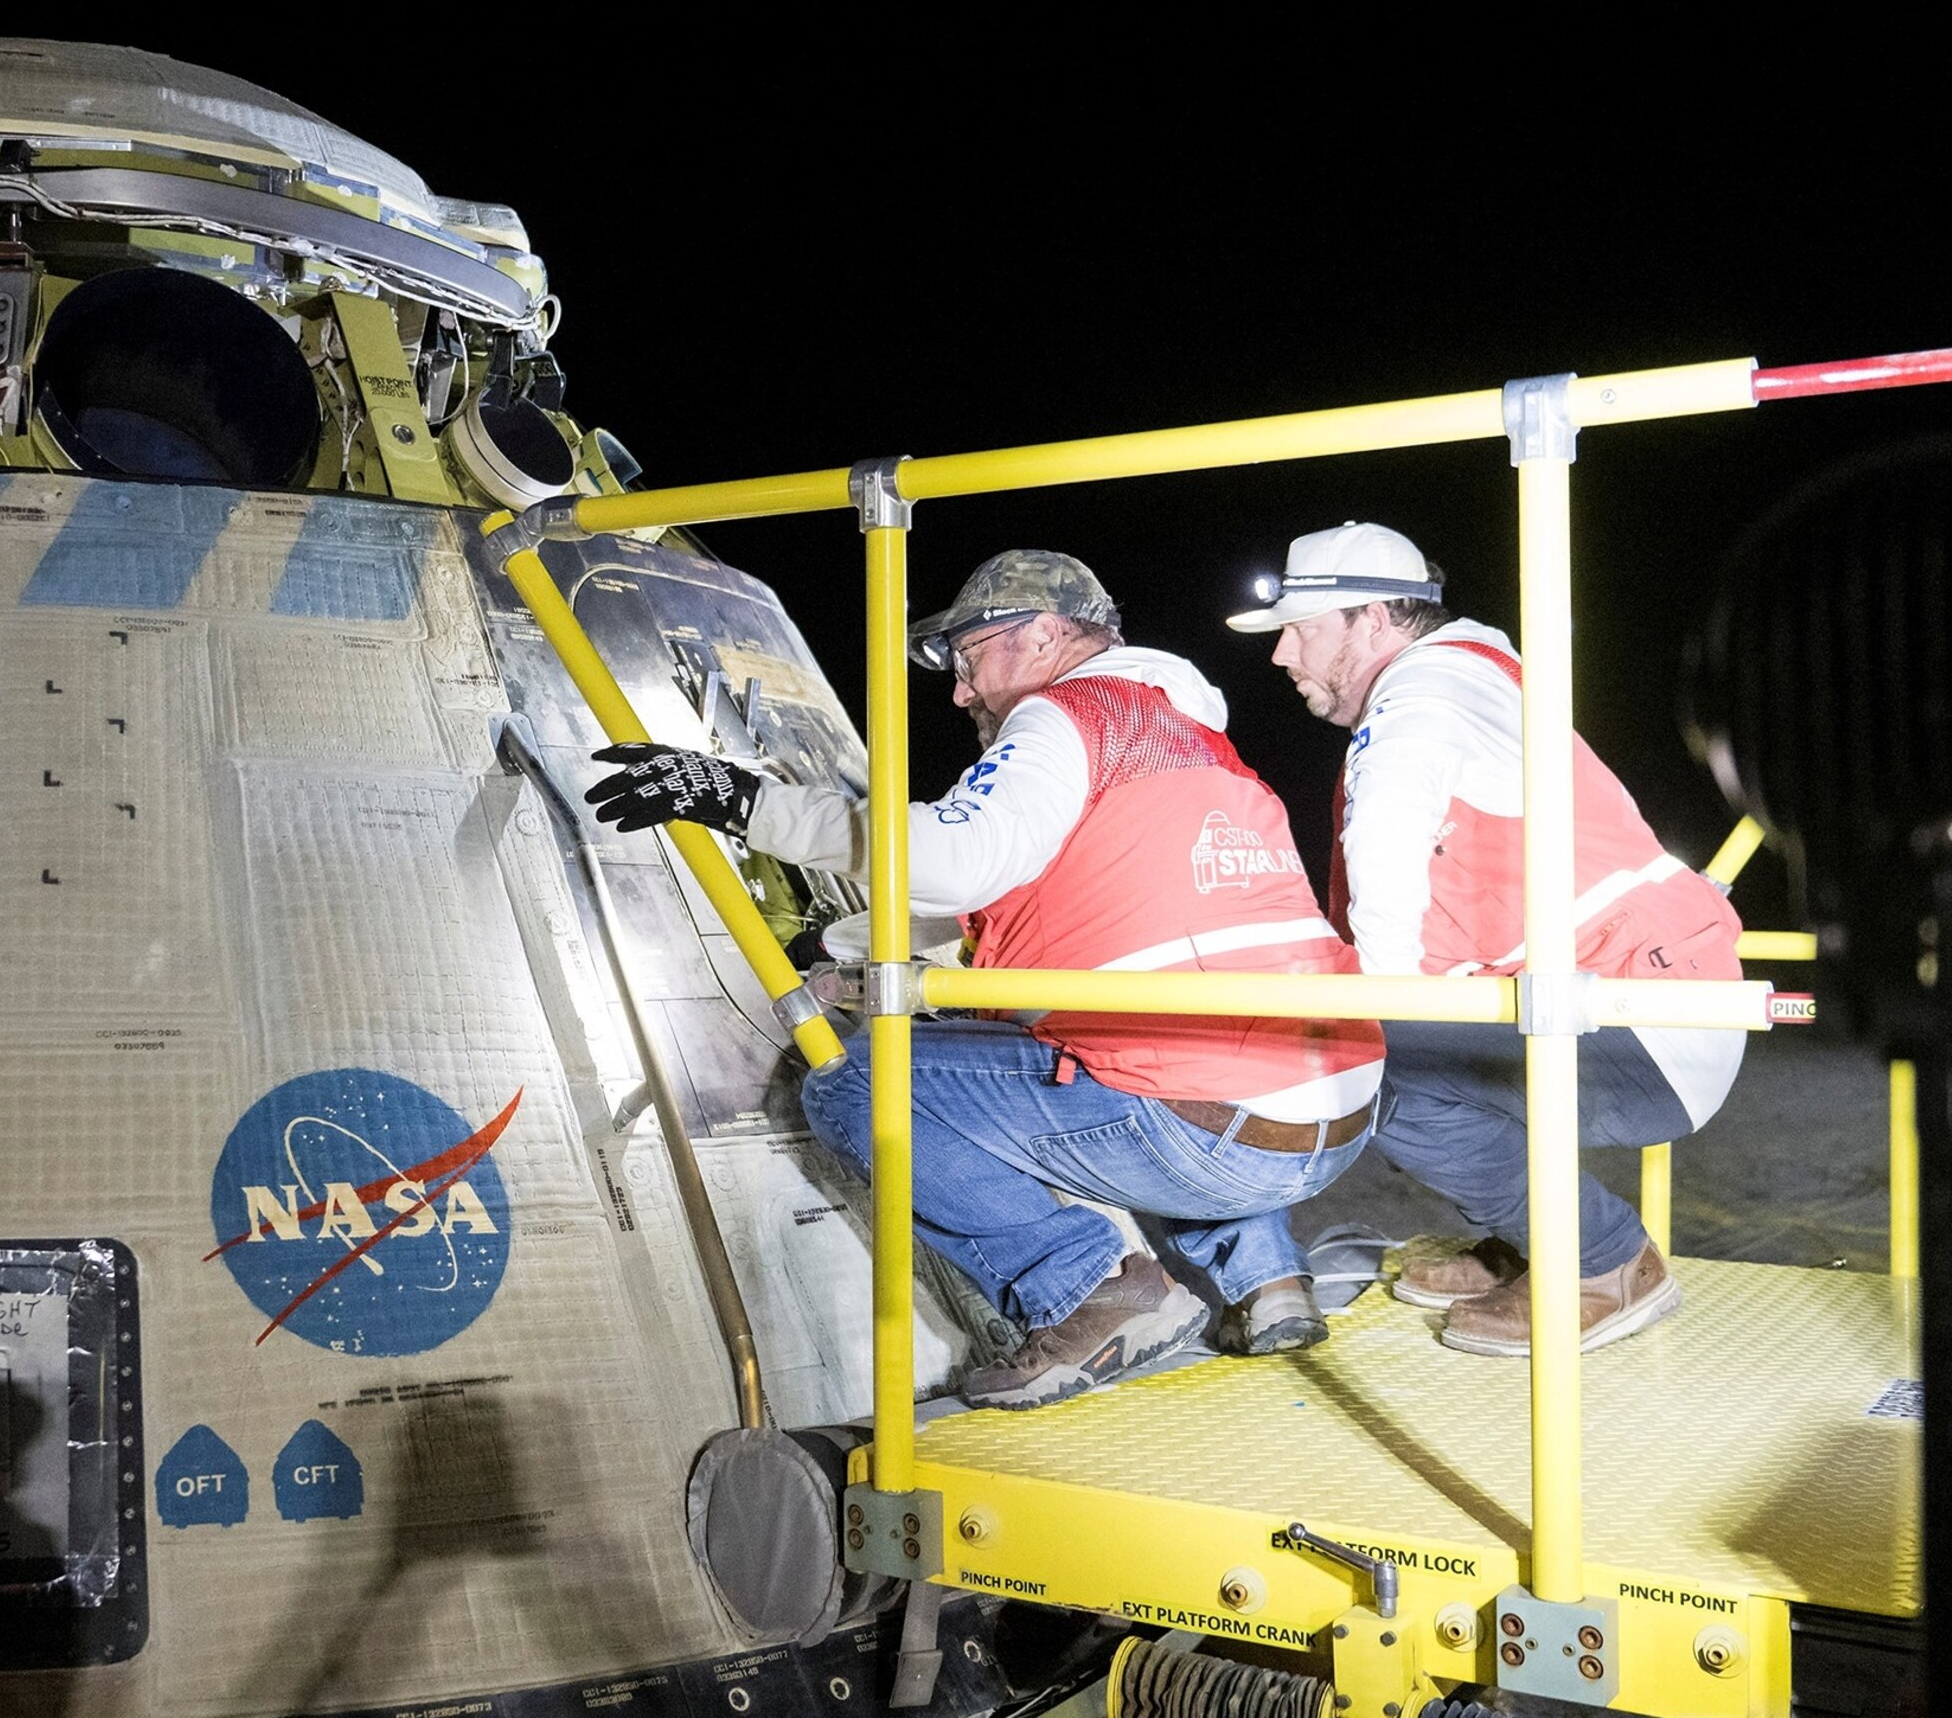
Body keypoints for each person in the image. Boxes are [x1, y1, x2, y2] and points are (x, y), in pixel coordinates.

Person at [587, 551, 1384, 1408]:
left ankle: (1083, 1289)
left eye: (971, 658)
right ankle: (1268, 1286)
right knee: (1156, 1049)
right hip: (1334, 1110)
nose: (962, 692)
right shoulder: (1188, 739)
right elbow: (1010, 910)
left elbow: (958, 862)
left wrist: (740, 799)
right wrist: (849, 947)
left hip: (1210, 1131)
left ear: (1045, 635)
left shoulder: (1066, 716)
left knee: (858, 1083)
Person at [1228, 521, 1744, 1355]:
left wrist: (1375, 1009)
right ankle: (1532, 1243)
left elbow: (1387, 839)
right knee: (1396, 1050)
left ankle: (1603, 1262)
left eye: (1301, 629)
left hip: (1638, 1012)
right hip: (1642, 991)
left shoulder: (1424, 697)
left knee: (1367, 1068)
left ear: (1372, 620)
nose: (1283, 655)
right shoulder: (1471, 677)